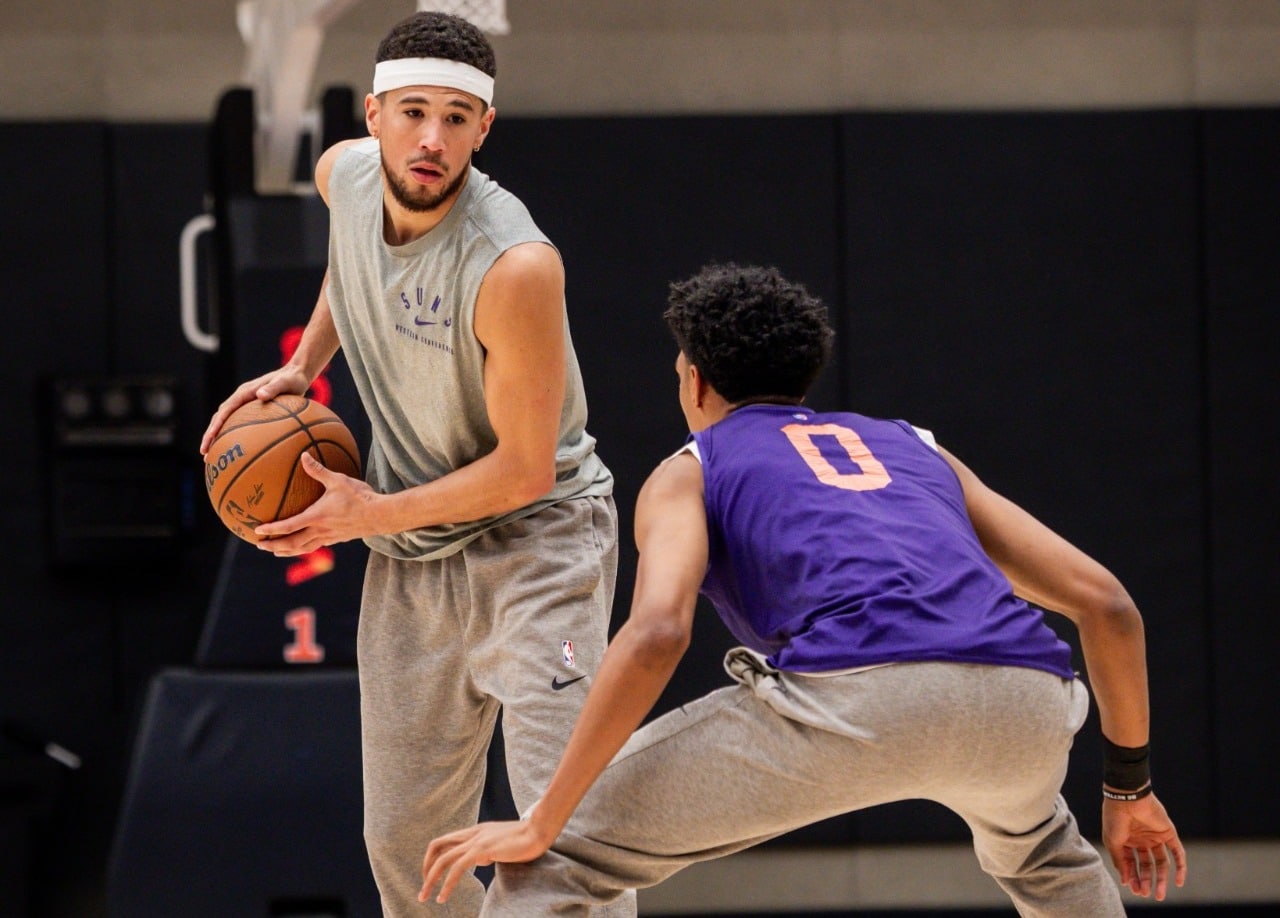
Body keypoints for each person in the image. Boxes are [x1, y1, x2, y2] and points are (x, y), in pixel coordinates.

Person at [419, 262, 1188, 916]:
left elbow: (657, 634)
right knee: (1048, 855)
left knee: (554, 855)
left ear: (694, 379)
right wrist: (1129, 789)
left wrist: (543, 817)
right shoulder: (914, 447)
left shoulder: (693, 467)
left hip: (859, 698)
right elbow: (1107, 605)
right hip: (1024, 703)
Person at [199, 11, 631, 916]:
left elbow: (525, 473)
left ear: (484, 128)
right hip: (411, 552)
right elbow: (348, 260)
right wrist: (300, 366)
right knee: (404, 840)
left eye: (455, 117)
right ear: (373, 116)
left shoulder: (514, 264)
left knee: (561, 826)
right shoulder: (344, 177)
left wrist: (363, 516)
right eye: (412, 113)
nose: (431, 139)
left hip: (540, 550)